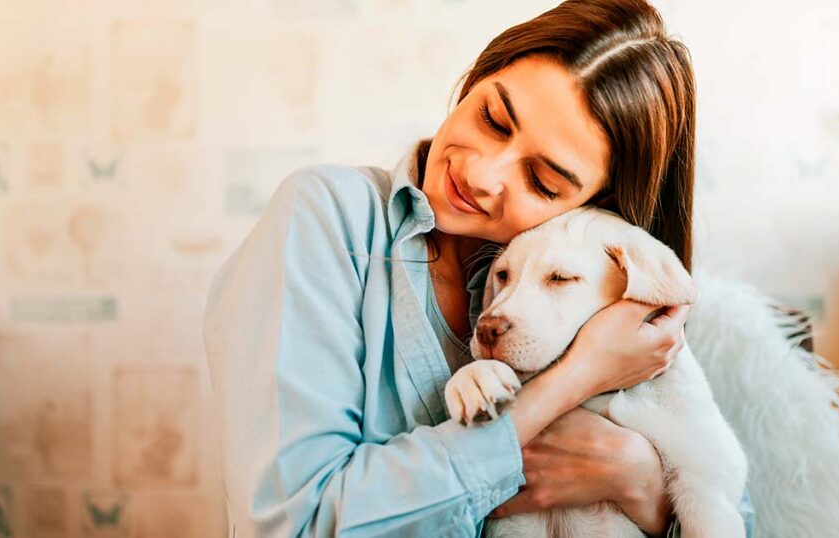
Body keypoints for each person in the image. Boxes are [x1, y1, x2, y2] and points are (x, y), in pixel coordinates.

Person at [203, 0, 754, 536]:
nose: (483, 174)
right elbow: (287, 525)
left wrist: (639, 483)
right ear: (475, 79)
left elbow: (739, 513)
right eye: (493, 118)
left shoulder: (601, 280)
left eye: (543, 182)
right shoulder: (328, 216)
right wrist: (570, 383)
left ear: (592, 206)